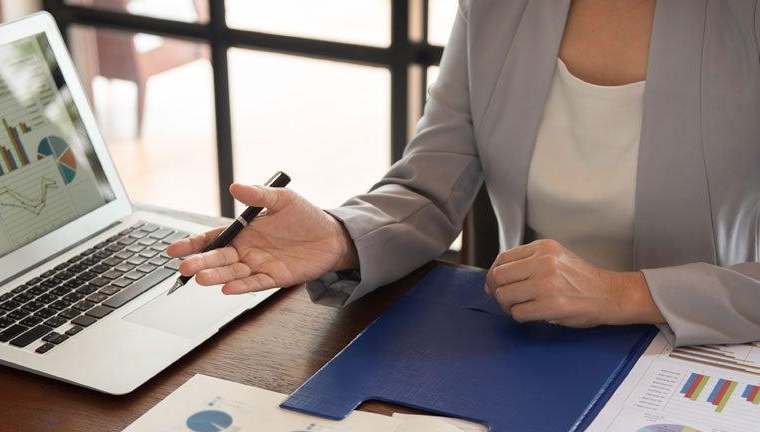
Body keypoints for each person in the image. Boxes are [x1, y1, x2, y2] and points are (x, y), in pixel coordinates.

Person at [168, 0, 760, 347]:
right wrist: (340, 236)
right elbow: (432, 180)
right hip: (530, 342)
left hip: (704, 359)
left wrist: (625, 293)